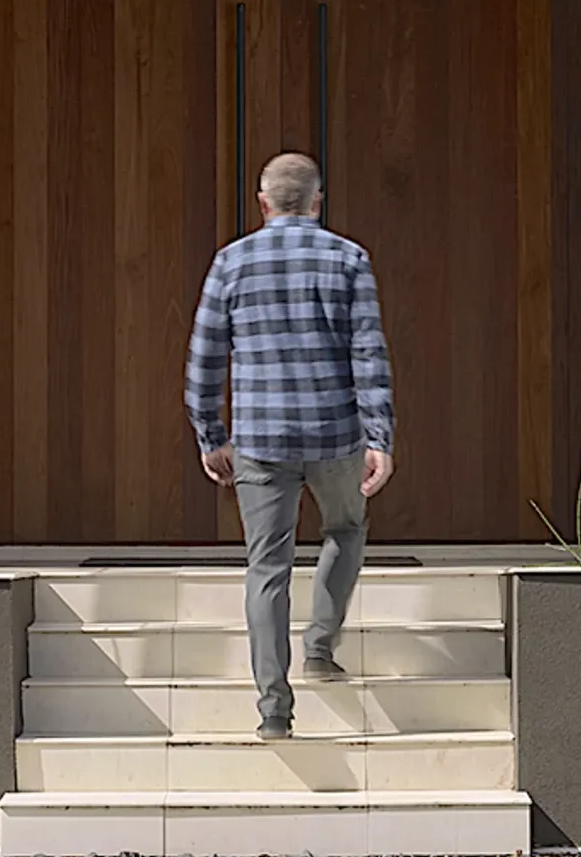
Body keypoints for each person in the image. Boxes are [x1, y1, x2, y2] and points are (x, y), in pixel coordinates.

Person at [183, 151, 395, 740]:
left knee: (266, 567)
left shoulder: (231, 262)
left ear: (264, 203)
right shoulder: (349, 259)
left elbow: (204, 359)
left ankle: (274, 709)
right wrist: (379, 436)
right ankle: (320, 648)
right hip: (335, 434)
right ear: (317, 202)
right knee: (347, 530)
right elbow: (369, 355)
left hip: (260, 440)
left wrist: (210, 434)